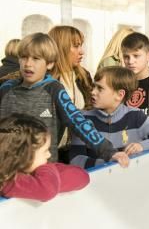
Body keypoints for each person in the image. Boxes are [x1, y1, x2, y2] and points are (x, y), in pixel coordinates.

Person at [0, 33, 127, 166]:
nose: (28, 64)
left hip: (42, 169)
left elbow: (78, 121)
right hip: (7, 170)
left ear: (49, 64)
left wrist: (108, 151)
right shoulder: (6, 89)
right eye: (24, 57)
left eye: (36, 58)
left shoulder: (54, 89)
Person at [70, 67, 149, 169]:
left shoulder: (136, 116)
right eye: (94, 86)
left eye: (100, 88)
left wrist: (141, 146)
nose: (93, 92)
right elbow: (76, 160)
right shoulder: (83, 119)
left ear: (119, 95)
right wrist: (108, 165)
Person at [0, 113, 90, 202]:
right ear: (23, 155)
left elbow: (82, 176)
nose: (49, 155)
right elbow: (47, 190)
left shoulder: (33, 170)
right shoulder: (7, 181)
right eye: (45, 151)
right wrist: (47, 169)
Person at [48, 25, 94, 161]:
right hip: (50, 154)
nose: (82, 52)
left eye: (81, 45)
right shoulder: (45, 79)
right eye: (76, 46)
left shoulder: (83, 76)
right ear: (60, 47)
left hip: (78, 150)